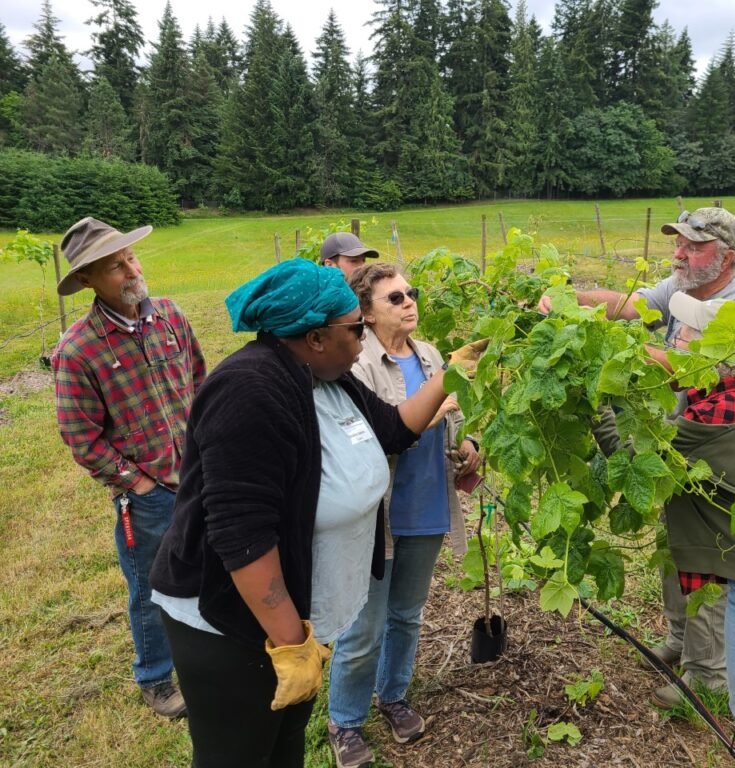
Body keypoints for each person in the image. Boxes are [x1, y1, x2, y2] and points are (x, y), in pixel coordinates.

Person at [149, 258, 486, 768]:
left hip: (287, 621)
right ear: (316, 337)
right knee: (237, 755)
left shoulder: (331, 379)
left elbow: (394, 429)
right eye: (356, 328)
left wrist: (449, 373)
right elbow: (241, 535)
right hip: (229, 623)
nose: (363, 337)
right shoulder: (249, 391)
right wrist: (290, 645)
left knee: (282, 750)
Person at [541, 206, 735, 702]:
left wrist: (605, 348)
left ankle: (708, 676)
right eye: (679, 243)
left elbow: (688, 370)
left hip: (723, 452)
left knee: (707, 555)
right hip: (680, 441)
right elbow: (632, 305)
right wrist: (570, 301)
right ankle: (678, 639)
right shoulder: (684, 285)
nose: (679, 253)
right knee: (678, 546)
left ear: (726, 256)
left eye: (693, 246)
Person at [595, 291, 735, 768]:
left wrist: (596, 393)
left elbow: (629, 456)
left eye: (682, 334)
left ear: (713, 355)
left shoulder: (713, 418)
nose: (671, 339)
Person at [324, 263, 481, 768]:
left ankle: (393, 696)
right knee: (362, 627)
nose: (409, 302)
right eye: (394, 298)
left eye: (410, 293)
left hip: (429, 508)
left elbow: (454, 423)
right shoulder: (357, 367)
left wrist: (469, 446)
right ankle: (345, 721)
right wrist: (421, 415)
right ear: (365, 313)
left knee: (406, 617)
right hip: (380, 518)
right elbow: (361, 442)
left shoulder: (432, 355)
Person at [52, 216, 206, 719]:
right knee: (150, 587)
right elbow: (81, 436)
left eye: (130, 258)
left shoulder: (170, 316)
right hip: (148, 494)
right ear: (89, 281)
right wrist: (138, 483)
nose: (130, 269)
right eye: (114, 266)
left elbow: (200, 383)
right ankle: (156, 679)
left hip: (198, 474)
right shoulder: (78, 350)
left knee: (206, 565)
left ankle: (204, 652)